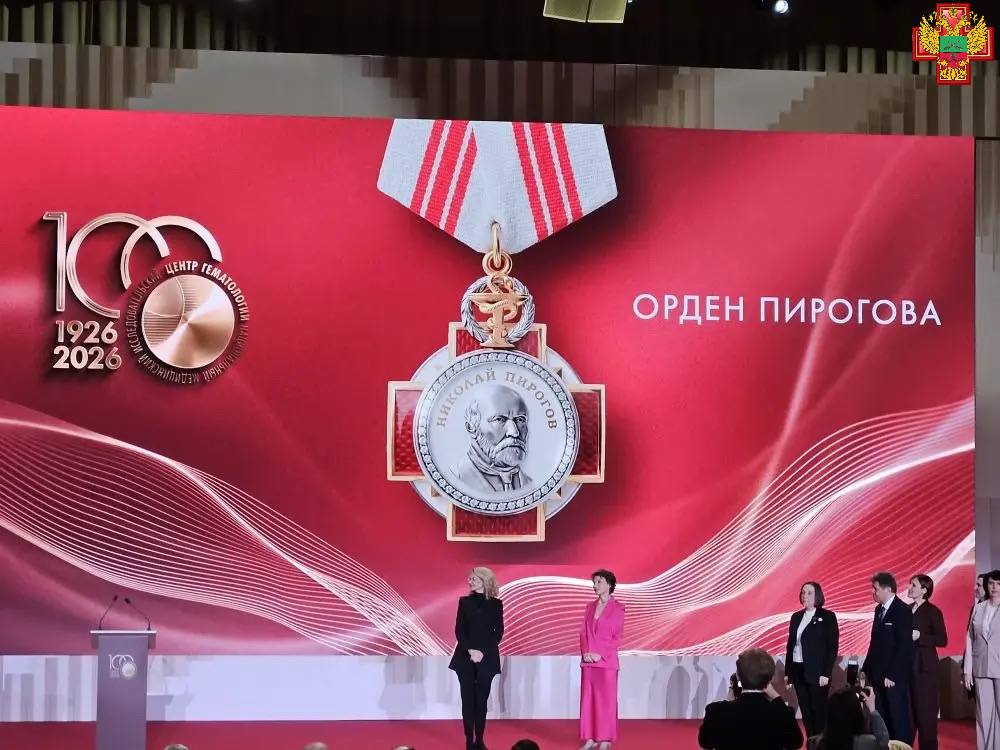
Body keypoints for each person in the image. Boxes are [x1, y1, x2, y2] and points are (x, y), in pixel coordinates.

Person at [698, 648, 804, 750]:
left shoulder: (716, 711)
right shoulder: (782, 713)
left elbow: (705, 742)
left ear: (738, 676)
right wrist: (776, 697)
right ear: (770, 678)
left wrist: (726, 702)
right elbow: (795, 743)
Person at [450, 566, 504, 750]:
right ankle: (469, 741)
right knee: (468, 701)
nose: (470, 581)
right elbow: (459, 630)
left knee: (481, 702)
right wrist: (470, 651)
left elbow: (498, 633)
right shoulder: (464, 602)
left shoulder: (496, 604)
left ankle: (479, 740)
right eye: (470, 578)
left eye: (473, 578)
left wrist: (482, 652)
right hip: (464, 658)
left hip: (487, 659)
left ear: (484, 580)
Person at [861, 572, 913, 743]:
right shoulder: (879, 610)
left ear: (888, 589)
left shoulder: (902, 610)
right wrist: (866, 668)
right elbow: (875, 643)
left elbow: (904, 646)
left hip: (892, 678)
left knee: (897, 719)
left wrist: (893, 674)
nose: (873, 592)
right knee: (881, 719)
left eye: (875, 589)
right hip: (877, 676)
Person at [450, 386, 532, 492]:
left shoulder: (530, 484)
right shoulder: (455, 478)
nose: (514, 432)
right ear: (471, 428)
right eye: (499, 419)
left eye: (520, 420)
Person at [784, 581, 840, 737]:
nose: (805, 596)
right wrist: (788, 672)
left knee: (818, 711)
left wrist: (826, 673)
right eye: (803, 592)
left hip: (818, 673)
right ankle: (811, 742)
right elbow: (790, 646)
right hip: (798, 670)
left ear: (818, 595)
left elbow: (832, 647)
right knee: (806, 711)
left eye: (809, 593)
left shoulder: (827, 617)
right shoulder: (796, 617)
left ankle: (820, 743)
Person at [579, 569, 625, 750]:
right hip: (588, 661)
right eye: (594, 582)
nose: (595, 585)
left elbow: (617, 638)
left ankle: (605, 738)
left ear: (609, 585)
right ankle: (590, 737)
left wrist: (601, 654)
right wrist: (586, 652)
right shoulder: (589, 607)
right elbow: (583, 633)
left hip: (607, 662)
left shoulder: (618, 608)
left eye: (599, 582)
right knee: (588, 700)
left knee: (606, 701)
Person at [908, 574, 947, 750]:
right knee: (907, 719)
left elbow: (942, 640)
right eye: (910, 584)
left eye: (914, 585)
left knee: (926, 718)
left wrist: (920, 637)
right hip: (906, 668)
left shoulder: (933, 612)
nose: (910, 588)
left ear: (924, 590)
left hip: (925, 670)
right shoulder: (906, 610)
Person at [964, 569, 1000, 749]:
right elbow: (970, 638)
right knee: (983, 714)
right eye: (992, 583)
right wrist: (967, 670)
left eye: (999, 584)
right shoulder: (978, 608)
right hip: (980, 666)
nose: (995, 587)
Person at [806, 688, 889, 750]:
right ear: (857, 715)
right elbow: (883, 743)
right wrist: (872, 710)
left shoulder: (814, 743)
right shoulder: (867, 743)